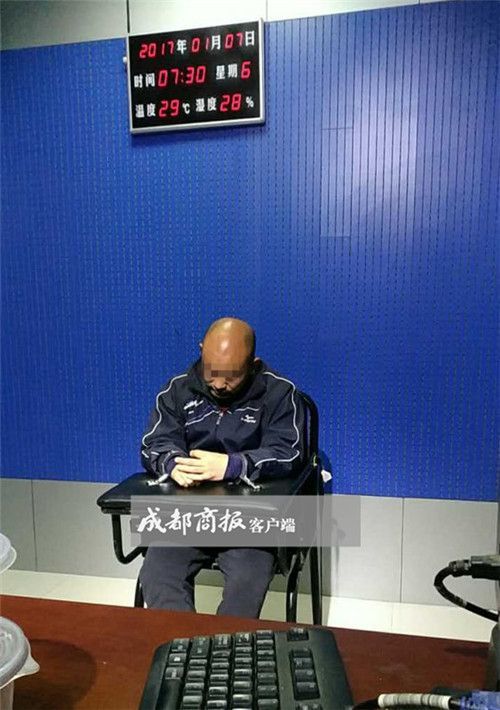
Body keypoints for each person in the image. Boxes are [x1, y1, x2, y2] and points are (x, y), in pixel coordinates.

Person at [139, 317, 305, 617]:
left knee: (246, 585)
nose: (218, 384)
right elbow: (155, 443)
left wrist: (233, 465)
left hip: (251, 520)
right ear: (202, 351)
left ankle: (225, 645)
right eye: (211, 372)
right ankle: (183, 643)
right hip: (188, 515)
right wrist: (171, 462)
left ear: (252, 365)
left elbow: (289, 453)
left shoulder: (280, 393)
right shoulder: (177, 390)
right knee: (157, 575)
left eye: (231, 376)